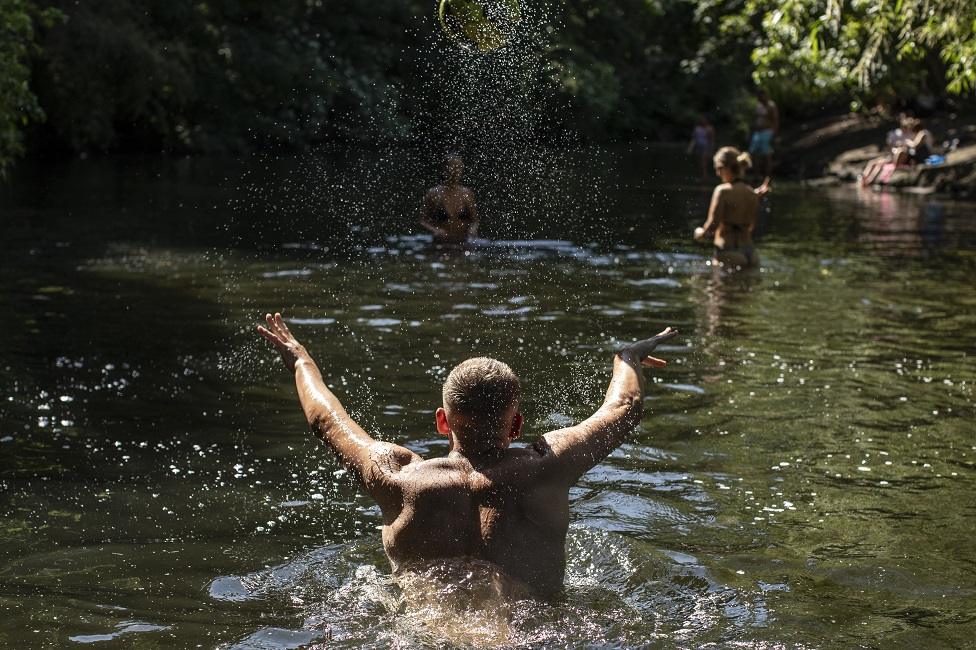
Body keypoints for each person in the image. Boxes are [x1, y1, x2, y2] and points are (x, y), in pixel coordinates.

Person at [256, 312, 678, 598]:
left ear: (443, 421)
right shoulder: (547, 467)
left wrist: (300, 360)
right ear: (516, 426)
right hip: (535, 634)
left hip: (427, 634)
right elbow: (624, 409)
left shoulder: (400, 481)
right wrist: (626, 357)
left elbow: (326, 421)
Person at [694, 146, 768, 268]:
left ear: (726, 168)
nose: (718, 173)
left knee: (717, 286)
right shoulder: (751, 193)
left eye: (718, 169)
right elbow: (751, 227)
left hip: (728, 251)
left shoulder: (722, 191)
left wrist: (699, 233)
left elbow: (712, 225)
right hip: (751, 253)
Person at [419, 156, 479, 244]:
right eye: (452, 167)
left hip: (463, 244)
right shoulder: (433, 194)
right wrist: (436, 230)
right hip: (439, 244)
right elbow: (423, 221)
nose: (455, 171)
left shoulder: (467, 194)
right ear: (444, 169)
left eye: (459, 167)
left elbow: (474, 220)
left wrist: (472, 229)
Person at [748, 89, 779, 178]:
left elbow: (775, 120)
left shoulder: (771, 106)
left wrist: (774, 134)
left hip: (767, 132)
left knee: (767, 156)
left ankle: (768, 177)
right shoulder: (758, 106)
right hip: (757, 133)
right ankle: (756, 176)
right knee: (754, 154)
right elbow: (754, 119)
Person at [687, 115, 716, 180]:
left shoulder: (710, 128)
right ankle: (701, 175)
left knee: (704, 163)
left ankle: (704, 176)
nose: (703, 121)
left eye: (704, 119)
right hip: (698, 147)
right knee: (699, 162)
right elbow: (694, 139)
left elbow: (711, 140)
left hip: (706, 147)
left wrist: (711, 149)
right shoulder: (697, 129)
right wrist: (690, 148)